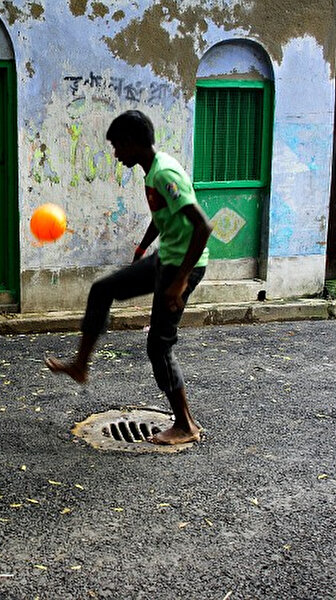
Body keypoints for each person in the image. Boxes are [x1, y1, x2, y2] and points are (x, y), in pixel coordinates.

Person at [45, 110, 212, 445]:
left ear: (134, 143)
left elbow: (202, 226)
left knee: (159, 346)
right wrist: (143, 247)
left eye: (118, 146)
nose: (116, 154)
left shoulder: (165, 173)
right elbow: (165, 212)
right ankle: (80, 365)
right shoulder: (152, 170)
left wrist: (179, 281)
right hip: (165, 259)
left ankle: (185, 425)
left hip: (183, 266)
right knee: (102, 290)